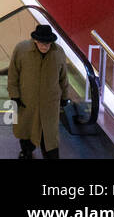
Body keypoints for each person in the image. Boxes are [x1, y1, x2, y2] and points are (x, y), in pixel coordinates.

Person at [8, 23, 70, 159]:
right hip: (27, 101)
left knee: (49, 137)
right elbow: (13, 74)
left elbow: (63, 78)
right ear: (35, 40)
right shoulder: (21, 50)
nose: (45, 46)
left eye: (48, 43)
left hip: (50, 104)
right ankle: (26, 152)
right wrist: (14, 95)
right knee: (26, 131)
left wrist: (65, 96)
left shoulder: (58, 53)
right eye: (42, 43)